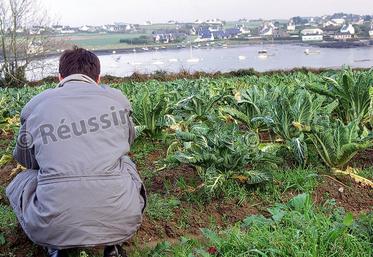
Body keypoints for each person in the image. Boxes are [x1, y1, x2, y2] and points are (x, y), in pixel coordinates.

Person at [6, 46, 146, 257]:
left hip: (50, 227)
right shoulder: (118, 102)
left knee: (23, 179)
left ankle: (55, 247)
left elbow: (27, 160)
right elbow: (128, 142)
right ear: (98, 78)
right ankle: (113, 246)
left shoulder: (36, 106)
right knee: (126, 163)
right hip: (122, 221)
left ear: (60, 77)